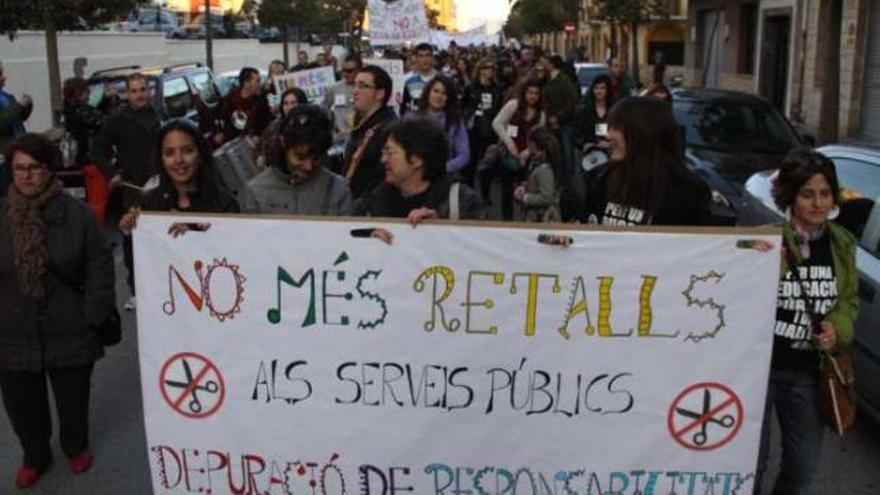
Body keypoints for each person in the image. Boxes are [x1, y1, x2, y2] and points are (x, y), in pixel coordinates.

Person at [0, 133, 116, 489]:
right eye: (19, 168)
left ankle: (75, 446)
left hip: (69, 325)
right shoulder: (2, 215)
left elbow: (100, 265)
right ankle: (35, 455)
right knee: (23, 405)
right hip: (13, 330)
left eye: (34, 167)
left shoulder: (77, 214)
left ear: (50, 169)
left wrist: (91, 314)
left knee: (72, 399)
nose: (26, 175)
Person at [755, 148, 859, 495]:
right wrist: (769, 261)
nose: (817, 203)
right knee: (749, 465)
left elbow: (847, 301)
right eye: (807, 194)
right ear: (790, 196)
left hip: (808, 373)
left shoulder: (842, 244)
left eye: (825, 194)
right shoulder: (768, 241)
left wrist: (837, 328)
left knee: (801, 470)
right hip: (759, 370)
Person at [579, 97, 711, 226]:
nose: (608, 136)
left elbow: (695, 244)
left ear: (642, 133)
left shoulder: (688, 192)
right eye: (609, 128)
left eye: (616, 128)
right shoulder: (599, 179)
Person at [91, 72, 160, 310]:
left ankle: (160, 285)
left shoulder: (157, 115)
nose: (140, 95)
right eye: (134, 91)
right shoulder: (118, 120)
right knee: (133, 240)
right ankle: (136, 291)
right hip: (133, 189)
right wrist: (112, 174)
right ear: (127, 94)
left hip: (160, 187)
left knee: (160, 238)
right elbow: (97, 150)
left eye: (143, 90)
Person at [119, 119, 240, 238]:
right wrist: (130, 230)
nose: (178, 160)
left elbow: (238, 251)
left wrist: (194, 236)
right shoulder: (148, 204)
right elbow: (141, 252)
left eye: (188, 151)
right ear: (161, 159)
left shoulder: (225, 204)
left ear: (201, 154)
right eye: (169, 153)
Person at [355, 117, 485, 222]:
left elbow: (479, 246)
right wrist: (369, 235)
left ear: (417, 159)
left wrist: (442, 228)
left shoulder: (460, 201)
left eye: (390, 153)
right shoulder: (374, 200)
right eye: (383, 152)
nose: (383, 160)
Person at [245, 104, 352, 216]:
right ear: (283, 144)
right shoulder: (257, 191)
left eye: (315, 158)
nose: (308, 166)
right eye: (300, 157)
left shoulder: (338, 190)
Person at [487, 79, 546, 220]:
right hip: (508, 153)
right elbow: (497, 123)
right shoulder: (514, 105)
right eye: (530, 93)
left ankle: (526, 220)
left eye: (536, 93)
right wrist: (509, 142)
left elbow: (539, 135)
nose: (533, 96)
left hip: (528, 157)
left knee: (527, 191)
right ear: (524, 93)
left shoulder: (541, 114)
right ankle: (507, 220)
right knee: (506, 190)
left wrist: (527, 152)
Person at [62, 77, 117, 224]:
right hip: (94, 160)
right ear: (80, 92)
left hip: (84, 160)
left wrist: (105, 101)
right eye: (86, 91)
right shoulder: (81, 110)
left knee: (94, 198)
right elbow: (106, 122)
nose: (90, 93)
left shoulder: (70, 109)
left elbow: (96, 116)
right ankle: (97, 238)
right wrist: (112, 100)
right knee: (98, 200)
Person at [343, 65, 398, 199]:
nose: (355, 91)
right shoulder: (361, 124)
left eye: (362, 86)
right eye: (354, 85)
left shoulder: (388, 128)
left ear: (380, 93)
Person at [415, 75, 470, 175]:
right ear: (428, 93)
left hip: (445, 177)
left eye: (444, 93)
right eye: (436, 91)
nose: (439, 96)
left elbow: (464, 155)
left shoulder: (455, 122)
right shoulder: (413, 119)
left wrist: (442, 168)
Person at [462, 58, 504, 187]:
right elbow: (463, 105)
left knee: (489, 161)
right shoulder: (471, 88)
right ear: (480, 70)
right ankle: (470, 189)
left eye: (492, 68)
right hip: (474, 127)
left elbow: (500, 108)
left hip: (491, 128)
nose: (489, 71)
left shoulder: (497, 88)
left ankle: (486, 191)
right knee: (471, 161)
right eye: (486, 68)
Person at [540, 55, 580, 176]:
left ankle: (569, 179)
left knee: (567, 152)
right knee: (554, 151)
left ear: (552, 65)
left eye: (547, 63)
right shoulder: (547, 79)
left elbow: (571, 103)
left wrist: (558, 117)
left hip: (565, 123)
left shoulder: (564, 81)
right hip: (551, 122)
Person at [514, 127, 561, 223]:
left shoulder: (544, 169)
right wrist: (524, 187)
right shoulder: (535, 163)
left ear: (533, 144)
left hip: (543, 220)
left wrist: (526, 198)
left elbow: (546, 197)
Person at [215, 67, 272, 146]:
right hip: (232, 142)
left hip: (251, 143)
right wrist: (220, 133)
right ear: (246, 83)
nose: (260, 84)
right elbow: (220, 118)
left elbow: (266, 123)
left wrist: (258, 136)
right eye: (257, 81)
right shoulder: (230, 98)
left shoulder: (261, 101)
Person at [0, 60, 33, 195]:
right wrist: (19, 106)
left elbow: (18, 117)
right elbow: (2, 121)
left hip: (17, 151)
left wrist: (27, 106)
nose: (4, 77)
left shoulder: (7, 97)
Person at [259, 87, 308, 168]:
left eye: (293, 103)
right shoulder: (274, 127)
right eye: (286, 103)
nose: (289, 107)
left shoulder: (311, 125)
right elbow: (265, 151)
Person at [323, 54, 362, 145]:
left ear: (359, 70)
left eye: (349, 71)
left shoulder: (366, 89)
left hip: (359, 139)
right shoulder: (334, 88)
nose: (345, 74)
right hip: (340, 140)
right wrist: (331, 127)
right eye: (343, 70)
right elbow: (324, 109)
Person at [579, 74, 615, 149]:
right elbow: (578, 134)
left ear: (608, 90)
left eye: (602, 88)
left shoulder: (614, 110)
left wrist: (610, 143)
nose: (599, 91)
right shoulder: (585, 110)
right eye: (596, 88)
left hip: (610, 151)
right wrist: (584, 144)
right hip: (590, 152)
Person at [401, 43, 438, 115]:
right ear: (416, 58)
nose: (425, 59)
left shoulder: (442, 79)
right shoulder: (406, 80)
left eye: (428, 55)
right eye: (421, 56)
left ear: (432, 58)